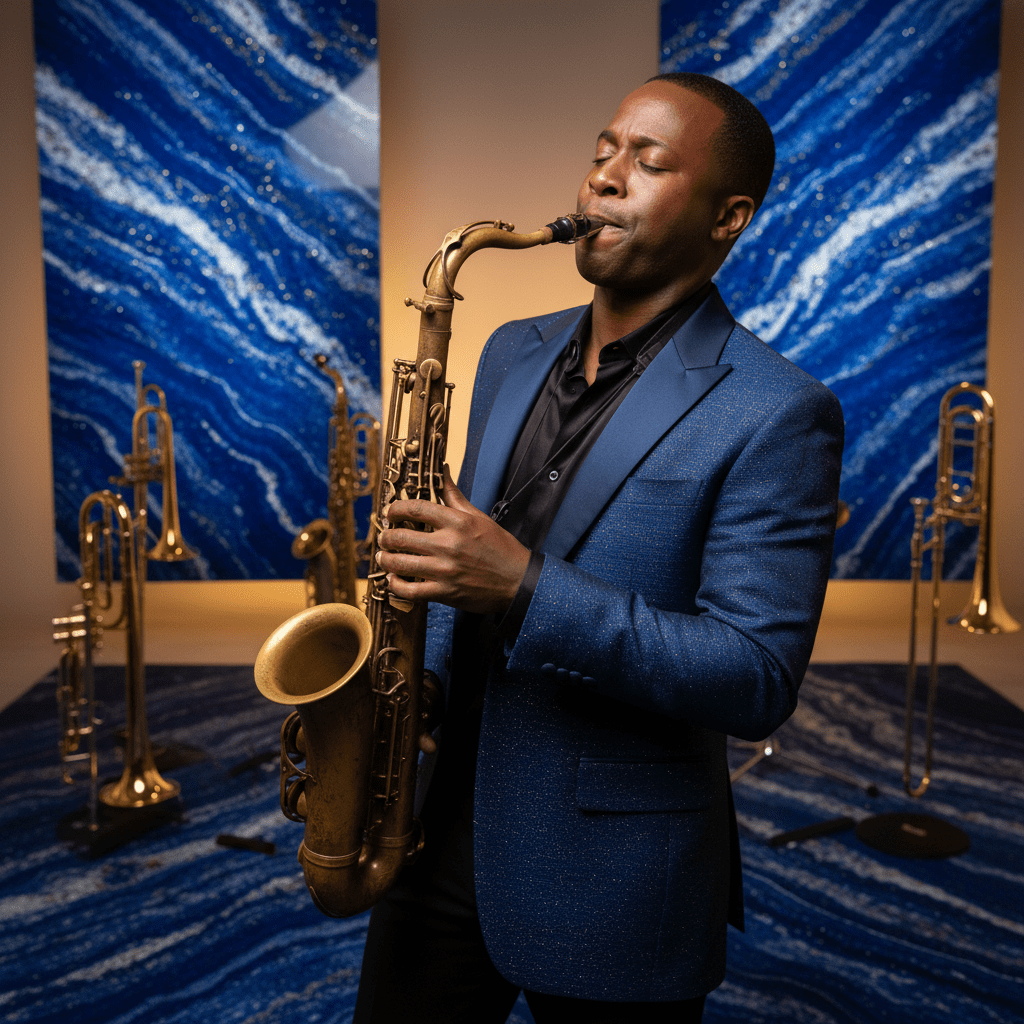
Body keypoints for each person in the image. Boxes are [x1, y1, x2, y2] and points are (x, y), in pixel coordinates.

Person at [353, 72, 844, 1024]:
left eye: (648, 162)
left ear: (728, 217)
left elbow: (753, 677)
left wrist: (523, 587)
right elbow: (468, 561)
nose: (604, 181)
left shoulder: (780, 410)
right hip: (432, 824)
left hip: (613, 870)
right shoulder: (507, 349)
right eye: (602, 152)